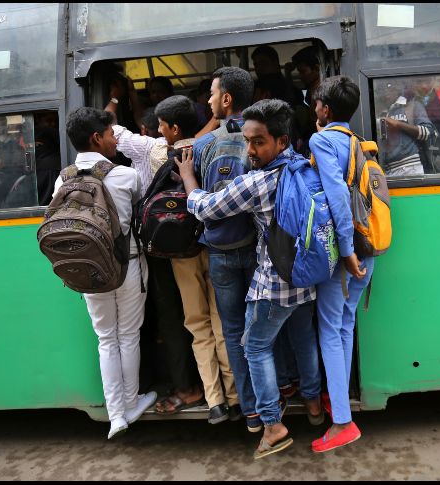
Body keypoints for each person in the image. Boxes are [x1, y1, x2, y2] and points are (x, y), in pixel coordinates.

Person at [178, 99, 319, 459]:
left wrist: (188, 178)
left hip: (273, 283)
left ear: (281, 141)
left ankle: (272, 425)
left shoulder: (258, 182)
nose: (249, 149)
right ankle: (314, 407)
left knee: (254, 346)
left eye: (258, 142)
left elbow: (206, 209)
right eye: (247, 140)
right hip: (307, 276)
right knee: (303, 338)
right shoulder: (304, 168)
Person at [105, 95, 213, 418]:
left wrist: (114, 97)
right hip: (207, 243)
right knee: (213, 316)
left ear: (171, 128)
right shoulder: (210, 146)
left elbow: (113, 129)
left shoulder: (150, 149)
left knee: (173, 317)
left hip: (162, 248)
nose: (159, 131)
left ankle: (186, 387)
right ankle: (221, 390)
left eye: (162, 127)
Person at [53, 107, 157, 439]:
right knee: (128, 336)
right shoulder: (126, 176)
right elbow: (139, 212)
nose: (115, 139)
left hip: (88, 270)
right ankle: (131, 403)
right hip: (126, 265)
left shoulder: (63, 178)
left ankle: (116, 416)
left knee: (105, 339)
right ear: (97, 138)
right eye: (112, 133)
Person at [191, 66, 261, 429]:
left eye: (212, 94)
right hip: (256, 247)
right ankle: (273, 404)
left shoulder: (203, 145)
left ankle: (250, 412)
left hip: (219, 251)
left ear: (227, 99)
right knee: (262, 328)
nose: (209, 100)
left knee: (233, 330)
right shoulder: (262, 136)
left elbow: (200, 195)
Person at [309, 75, 373, 452]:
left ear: (326, 109)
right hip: (370, 244)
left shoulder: (322, 140)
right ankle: (339, 395)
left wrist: (346, 251)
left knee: (330, 329)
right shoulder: (355, 140)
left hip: (345, 252)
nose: (314, 107)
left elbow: (335, 195)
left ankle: (343, 424)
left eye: (317, 102)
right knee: (345, 323)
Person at [376, 79, 436, 176]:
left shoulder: (412, 106)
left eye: (390, 88)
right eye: (382, 90)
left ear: (397, 89)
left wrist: (398, 124)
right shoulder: (380, 112)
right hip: (387, 170)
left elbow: (428, 132)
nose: (386, 92)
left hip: (411, 167)